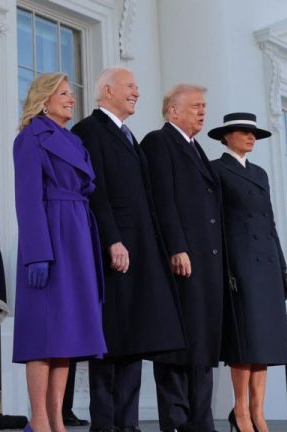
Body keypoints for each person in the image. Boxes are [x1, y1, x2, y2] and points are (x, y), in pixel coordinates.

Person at [71, 67, 184, 432]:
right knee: (110, 341)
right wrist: (111, 239)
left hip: (141, 251)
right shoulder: (88, 131)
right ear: (106, 90)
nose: (137, 92)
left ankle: (128, 424)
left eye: (137, 86)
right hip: (113, 250)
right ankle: (105, 425)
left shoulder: (129, 136)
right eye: (130, 86)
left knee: (135, 340)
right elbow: (95, 190)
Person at [12, 72, 107, 432]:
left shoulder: (74, 141)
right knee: (42, 332)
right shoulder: (30, 139)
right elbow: (28, 199)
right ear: (45, 98)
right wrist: (37, 253)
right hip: (51, 235)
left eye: (71, 93)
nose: (71, 99)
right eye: (64, 93)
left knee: (66, 333)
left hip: (78, 234)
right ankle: (39, 418)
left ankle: (56, 419)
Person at [141, 84, 225, 432]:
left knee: (203, 345)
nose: (202, 112)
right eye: (195, 106)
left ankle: (201, 421)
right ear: (172, 111)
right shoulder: (159, 142)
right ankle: (176, 422)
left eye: (204, 106)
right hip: (182, 260)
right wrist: (177, 246)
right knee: (178, 346)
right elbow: (162, 199)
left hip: (207, 262)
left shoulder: (197, 148)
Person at [208, 112, 287, 432]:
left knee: (265, 344)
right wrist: (225, 267)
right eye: (244, 132)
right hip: (240, 262)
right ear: (226, 136)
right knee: (245, 342)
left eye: (254, 133)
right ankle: (240, 411)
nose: (251, 137)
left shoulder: (260, 173)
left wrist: (283, 266)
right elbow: (216, 224)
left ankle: (258, 412)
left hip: (268, 263)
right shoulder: (217, 170)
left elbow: (269, 223)